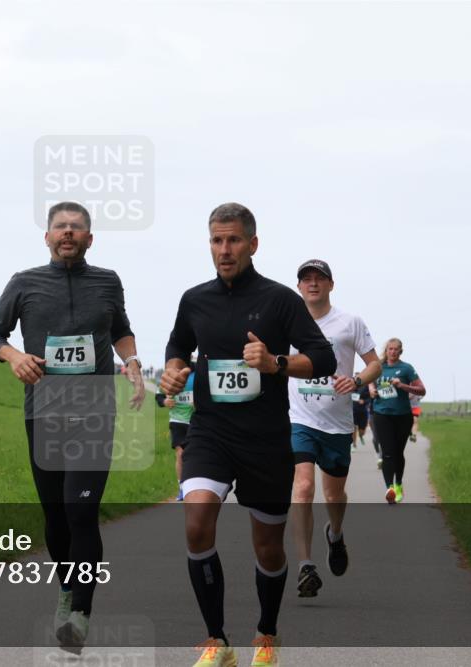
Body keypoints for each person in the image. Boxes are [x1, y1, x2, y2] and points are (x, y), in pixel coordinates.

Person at [160, 203, 335, 667]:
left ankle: (266, 634)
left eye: (233, 240)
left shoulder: (280, 300)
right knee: (196, 522)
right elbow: (178, 346)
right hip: (211, 432)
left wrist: (276, 362)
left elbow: (323, 357)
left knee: (268, 546)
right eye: (217, 240)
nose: (224, 249)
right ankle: (217, 642)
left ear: (252, 244)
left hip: (265, 439)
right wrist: (175, 371)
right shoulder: (194, 299)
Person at [0, 201, 145, 654]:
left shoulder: (107, 281)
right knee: (55, 517)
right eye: (60, 227)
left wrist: (130, 359)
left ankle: (81, 615)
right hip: (44, 413)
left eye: (76, 227)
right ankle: (68, 589)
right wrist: (14, 357)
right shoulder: (24, 283)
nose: (68, 233)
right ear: (47, 237)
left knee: (81, 512)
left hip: (95, 414)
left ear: (90, 239)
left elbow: (122, 329)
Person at [286, 260, 381, 598]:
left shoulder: (349, 322)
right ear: (299, 287)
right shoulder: (287, 323)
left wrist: (355, 381)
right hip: (300, 419)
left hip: (338, 424)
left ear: (330, 284)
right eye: (306, 279)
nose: (313, 284)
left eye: (319, 279)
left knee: (334, 495)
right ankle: (305, 566)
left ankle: (335, 534)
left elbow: (375, 365)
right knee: (303, 488)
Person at [369, 338, 426, 504]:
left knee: (398, 453)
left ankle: (399, 484)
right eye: (390, 349)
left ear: (400, 351)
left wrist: (402, 386)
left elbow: (422, 390)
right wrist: (372, 389)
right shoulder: (378, 367)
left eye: (396, 349)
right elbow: (368, 381)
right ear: (386, 350)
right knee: (387, 452)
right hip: (382, 414)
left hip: (402, 416)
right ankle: (390, 489)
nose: (392, 352)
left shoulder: (406, 369)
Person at [157, 359, 196, 500]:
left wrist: (199, 401)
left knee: (194, 455)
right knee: (180, 453)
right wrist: (164, 401)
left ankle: (194, 486)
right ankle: (181, 488)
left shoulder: (197, 371)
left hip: (195, 420)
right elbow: (159, 395)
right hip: (177, 420)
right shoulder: (170, 371)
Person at [352, 382, 370, 449]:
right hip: (352, 410)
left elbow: (370, 398)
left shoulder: (365, 387)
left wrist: (364, 401)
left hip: (362, 411)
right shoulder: (350, 386)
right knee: (353, 428)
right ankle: (354, 444)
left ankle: (361, 436)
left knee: (362, 431)